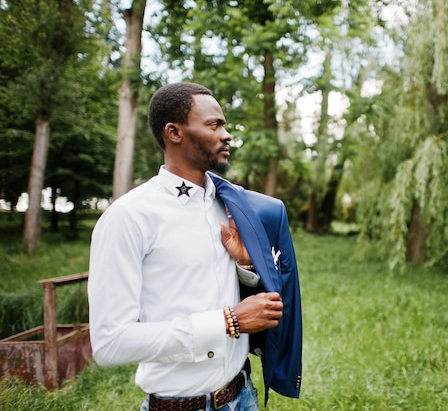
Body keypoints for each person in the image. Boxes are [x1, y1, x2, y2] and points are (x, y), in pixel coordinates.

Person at [88, 82, 302, 411]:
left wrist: (245, 268)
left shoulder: (231, 204)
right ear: (174, 132)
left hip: (243, 395)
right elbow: (109, 343)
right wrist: (228, 322)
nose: (227, 134)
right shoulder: (129, 217)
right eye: (214, 125)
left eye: (225, 125)